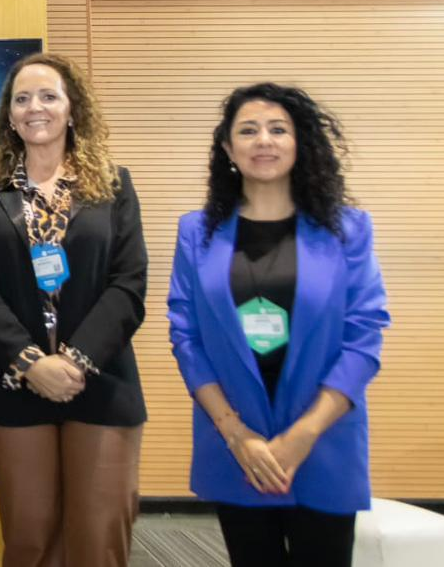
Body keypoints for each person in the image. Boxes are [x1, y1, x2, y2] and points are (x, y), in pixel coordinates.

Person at [166, 82, 390, 567]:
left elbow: (364, 336)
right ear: (229, 149)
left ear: (299, 143)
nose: (263, 140)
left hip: (324, 440)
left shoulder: (349, 230)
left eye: (277, 129)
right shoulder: (195, 233)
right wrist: (235, 432)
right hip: (237, 444)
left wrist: (304, 433)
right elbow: (186, 337)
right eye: (248, 130)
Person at [0, 52, 148, 567]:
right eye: (22, 99)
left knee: (98, 539)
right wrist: (31, 363)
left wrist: (74, 360)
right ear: (9, 115)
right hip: (14, 385)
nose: (34, 107)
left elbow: (129, 284)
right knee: (29, 539)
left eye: (48, 96)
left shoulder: (113, 184)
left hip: (101, 382)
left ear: (72, 108)